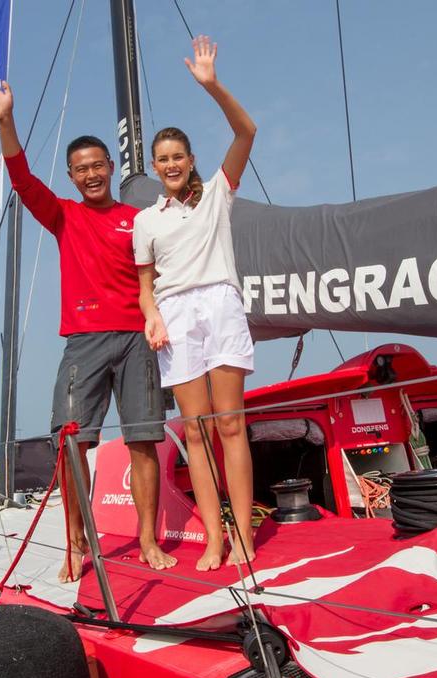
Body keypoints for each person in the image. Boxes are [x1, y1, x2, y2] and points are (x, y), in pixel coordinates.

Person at [0, 74, 177, 582]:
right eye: (80, 170)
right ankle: (77, 544)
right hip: (83, 342)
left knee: (143, 440)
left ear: (111, 168)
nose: (91, 175)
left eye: (97, 166)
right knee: (71, 444)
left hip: (135, 339)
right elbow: (21, 180)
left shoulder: (140, 218)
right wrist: (6, 120)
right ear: (72, 175)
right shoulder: (63, 216)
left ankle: (148, 539)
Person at [133, 36, 258, 571]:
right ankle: (214, 539)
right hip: (175, 315)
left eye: (178, 156)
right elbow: (144, 285)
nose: (170, 164)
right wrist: (151, 315)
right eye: (161, 159)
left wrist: (211, 86)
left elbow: (246, 131)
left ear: (191, 159)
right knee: (196, 431)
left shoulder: (217, 194)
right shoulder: (146, 221)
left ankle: (246, 539)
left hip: (221, 304)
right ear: (155, 166)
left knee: (231, 423)